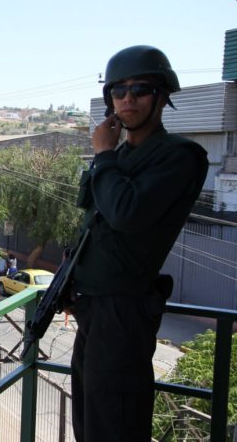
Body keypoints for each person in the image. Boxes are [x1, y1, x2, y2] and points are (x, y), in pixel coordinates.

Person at [70, 45, 208, 441]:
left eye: (140, 88)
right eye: (119, 91)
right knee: (89, 419)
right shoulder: (119, 157)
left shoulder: (179, 156)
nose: (128, 98)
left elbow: (126, 213)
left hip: (123, 310)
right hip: (92, 308)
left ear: (162, 96)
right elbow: (94, 224)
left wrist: (102, 154)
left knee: (114, 424)